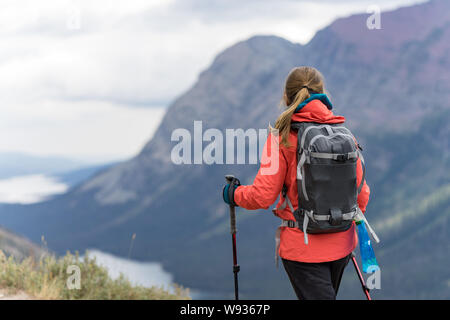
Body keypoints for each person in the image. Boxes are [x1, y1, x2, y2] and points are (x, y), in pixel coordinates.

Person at [222, 66, 370, 300]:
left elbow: (262, 196)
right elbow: (361, 195)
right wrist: (337, 219)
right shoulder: (345, 135)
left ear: (286, 96)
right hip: (342, 243)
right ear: (323, 93)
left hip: (302, 248)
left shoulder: (281, 138)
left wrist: (234, 194)